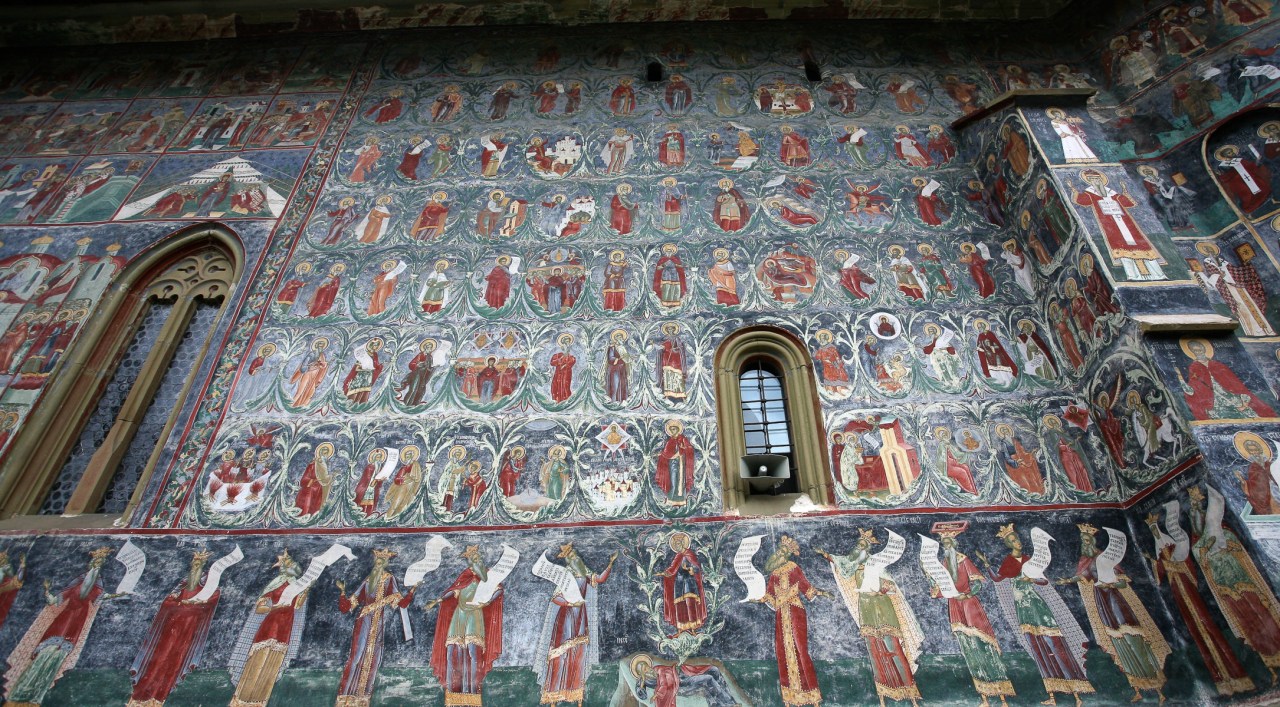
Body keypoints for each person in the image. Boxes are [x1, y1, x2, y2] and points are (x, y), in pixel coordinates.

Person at [1058, 525, 1169, 703]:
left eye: (1086, 540)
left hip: (1117, 599)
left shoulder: (1106, 557)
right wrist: (1067, 580)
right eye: (1082, 541)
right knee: (1118, 642)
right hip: (1102, 600)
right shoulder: (1085, 560)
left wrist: (1110, 584)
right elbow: (1082, 576)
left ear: (1092, 541)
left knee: (1134, 637)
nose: (1084, 544)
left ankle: (1158, 688)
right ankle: (1136, 686)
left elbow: (1123, 582)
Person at [986, 525, 1094, 706]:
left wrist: (1031, 579)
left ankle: (1077, 693)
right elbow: (998, 578)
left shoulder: (1029, 560)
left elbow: (1043, 581)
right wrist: (987, 566)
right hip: (1023, 611)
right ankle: (1052, 695)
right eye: (1012, 540)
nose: (1017, 542)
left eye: (1017, 539)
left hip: (1038, 608)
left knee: (1057, 646)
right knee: (1040, 651)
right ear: (1008, 544)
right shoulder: (1008, 562)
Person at [820, 530, 923, 707]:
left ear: (867, 550)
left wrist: (879, 590)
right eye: (857, 545)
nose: (857, 549)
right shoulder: (854, 566)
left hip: (882, 608)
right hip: (866, 609)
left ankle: (910, 691)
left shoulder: (875, 564)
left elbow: (891, 586)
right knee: (874, 650)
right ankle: (884, 693)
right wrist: (826, 555)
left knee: (893, 647)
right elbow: (843, 564)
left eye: (861, 546)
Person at [4, 548, 116, 706]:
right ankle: (20, 693)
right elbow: (54, 601)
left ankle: (36, 698)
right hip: (62, 623)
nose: (98, 566)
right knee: (44, 655)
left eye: (100, 563)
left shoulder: (97, 587)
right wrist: (47, 591)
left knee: (56, 660)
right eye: (96, 562)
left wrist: (117, 594)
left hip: (76, 626)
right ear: (91, 564)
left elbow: (101, 597)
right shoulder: (75, 585)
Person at [923, 524, 1016, 706]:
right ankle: (984, 697)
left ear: (954, 544)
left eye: (948, 543)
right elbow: (941, 589)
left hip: (969, 604)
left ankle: (1003, 697)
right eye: (944, 544)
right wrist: (930, 579)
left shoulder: (963, 560)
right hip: (955, 607)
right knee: (969, 650)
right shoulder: (944, 564)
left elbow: (977, 582)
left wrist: (967, 594)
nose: (946, 546)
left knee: (985, 646)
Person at [128, 551, 222, 707]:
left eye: (198, 564)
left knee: (175, 660)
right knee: (159, 657)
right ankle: (141, 695)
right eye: (194, 564)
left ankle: (160, 696)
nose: (195, 567)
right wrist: (180, 604)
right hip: (171, 627)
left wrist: (193, 605)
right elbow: (169, 600)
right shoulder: (183, 584)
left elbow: (210, 601)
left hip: (189, 628)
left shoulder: (209, 585)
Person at [534, 543, 616, 705]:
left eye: (576, 555)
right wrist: (570, 603)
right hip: (566, 620)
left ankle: (575, 694)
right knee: (560, 656)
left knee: (579, 655)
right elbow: (555, 598)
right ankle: (554, 696)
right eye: (572, 557)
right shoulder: (566, 576)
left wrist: (610, 563)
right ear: (568, 561)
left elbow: (600, 579)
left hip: (581, 619)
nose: (577, 558)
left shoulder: (586, 574)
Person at [334, 549, 418, 707]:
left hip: (378, 623)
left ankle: (362, 698)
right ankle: (345, 697)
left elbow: (400, 603)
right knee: (356, 657)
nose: (377, 564)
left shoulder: (389, 579)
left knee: (373, 658)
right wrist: (342, 592)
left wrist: (412, 591)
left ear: (385, 564)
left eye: (381, 562)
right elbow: (349, 605)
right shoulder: (368, 580)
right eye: (376, 562)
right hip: (363, 621)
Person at [426, 546, 505, 705]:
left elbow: (499, 589)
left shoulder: (487, 576)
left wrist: (488, 601)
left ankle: (473, 692)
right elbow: (455, 590)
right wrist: (438, 600)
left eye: (477, 557)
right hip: (459, 614)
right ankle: (452, 693)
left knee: (473, 651)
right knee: (451, 651)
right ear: (469, 561)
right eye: (472, 558)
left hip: (474, 613)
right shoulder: (466, 575)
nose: (476, 560)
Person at [229, 551, 309, 707]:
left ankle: (260, 701)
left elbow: (297, 606)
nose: (293, 565)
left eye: (293, 563)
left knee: (273, 661)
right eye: (289, 563)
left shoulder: (297, 586)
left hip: (285, 626)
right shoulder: (276, 584)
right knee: (259, 658)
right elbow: (259, 608)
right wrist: (274, 607)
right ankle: (241, 700)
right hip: (270, 624)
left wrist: (306, 590)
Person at [758, 535, 826, 706]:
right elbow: (770, 596)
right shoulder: (774, 574)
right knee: (782, 651)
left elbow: (806, 588)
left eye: (783, 552)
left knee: (800, 649)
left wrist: (820, 592)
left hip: (795, 611)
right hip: (781, 615)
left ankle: (812, 695)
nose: (779, 554)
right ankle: (790, 697)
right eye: (778, 551)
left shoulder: (793, 568)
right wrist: (761, 599)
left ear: (788, 554)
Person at [660, 532, 706, 636]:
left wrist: (689, 568)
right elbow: (672, 569)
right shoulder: (678, 556)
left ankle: (693, 629)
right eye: (675, 545)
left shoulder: (689, 554)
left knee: (690, 604)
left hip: (689, 582)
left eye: (678, 544)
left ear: (682, 543)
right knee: (679, 606)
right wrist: (665, 573)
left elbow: (697, 568)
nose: (677, 546)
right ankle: (680, 630)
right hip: (679, 583)